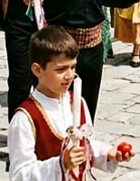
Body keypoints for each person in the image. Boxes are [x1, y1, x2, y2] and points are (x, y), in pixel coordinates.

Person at [7, 27, 133, 181]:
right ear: (37, 70)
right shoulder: (25, 118)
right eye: (61, 69)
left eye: (73, 67)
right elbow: (19, 175)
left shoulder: (77, 103)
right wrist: (61, 164)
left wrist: (108, 153)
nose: (70, 75)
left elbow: (86, 146)